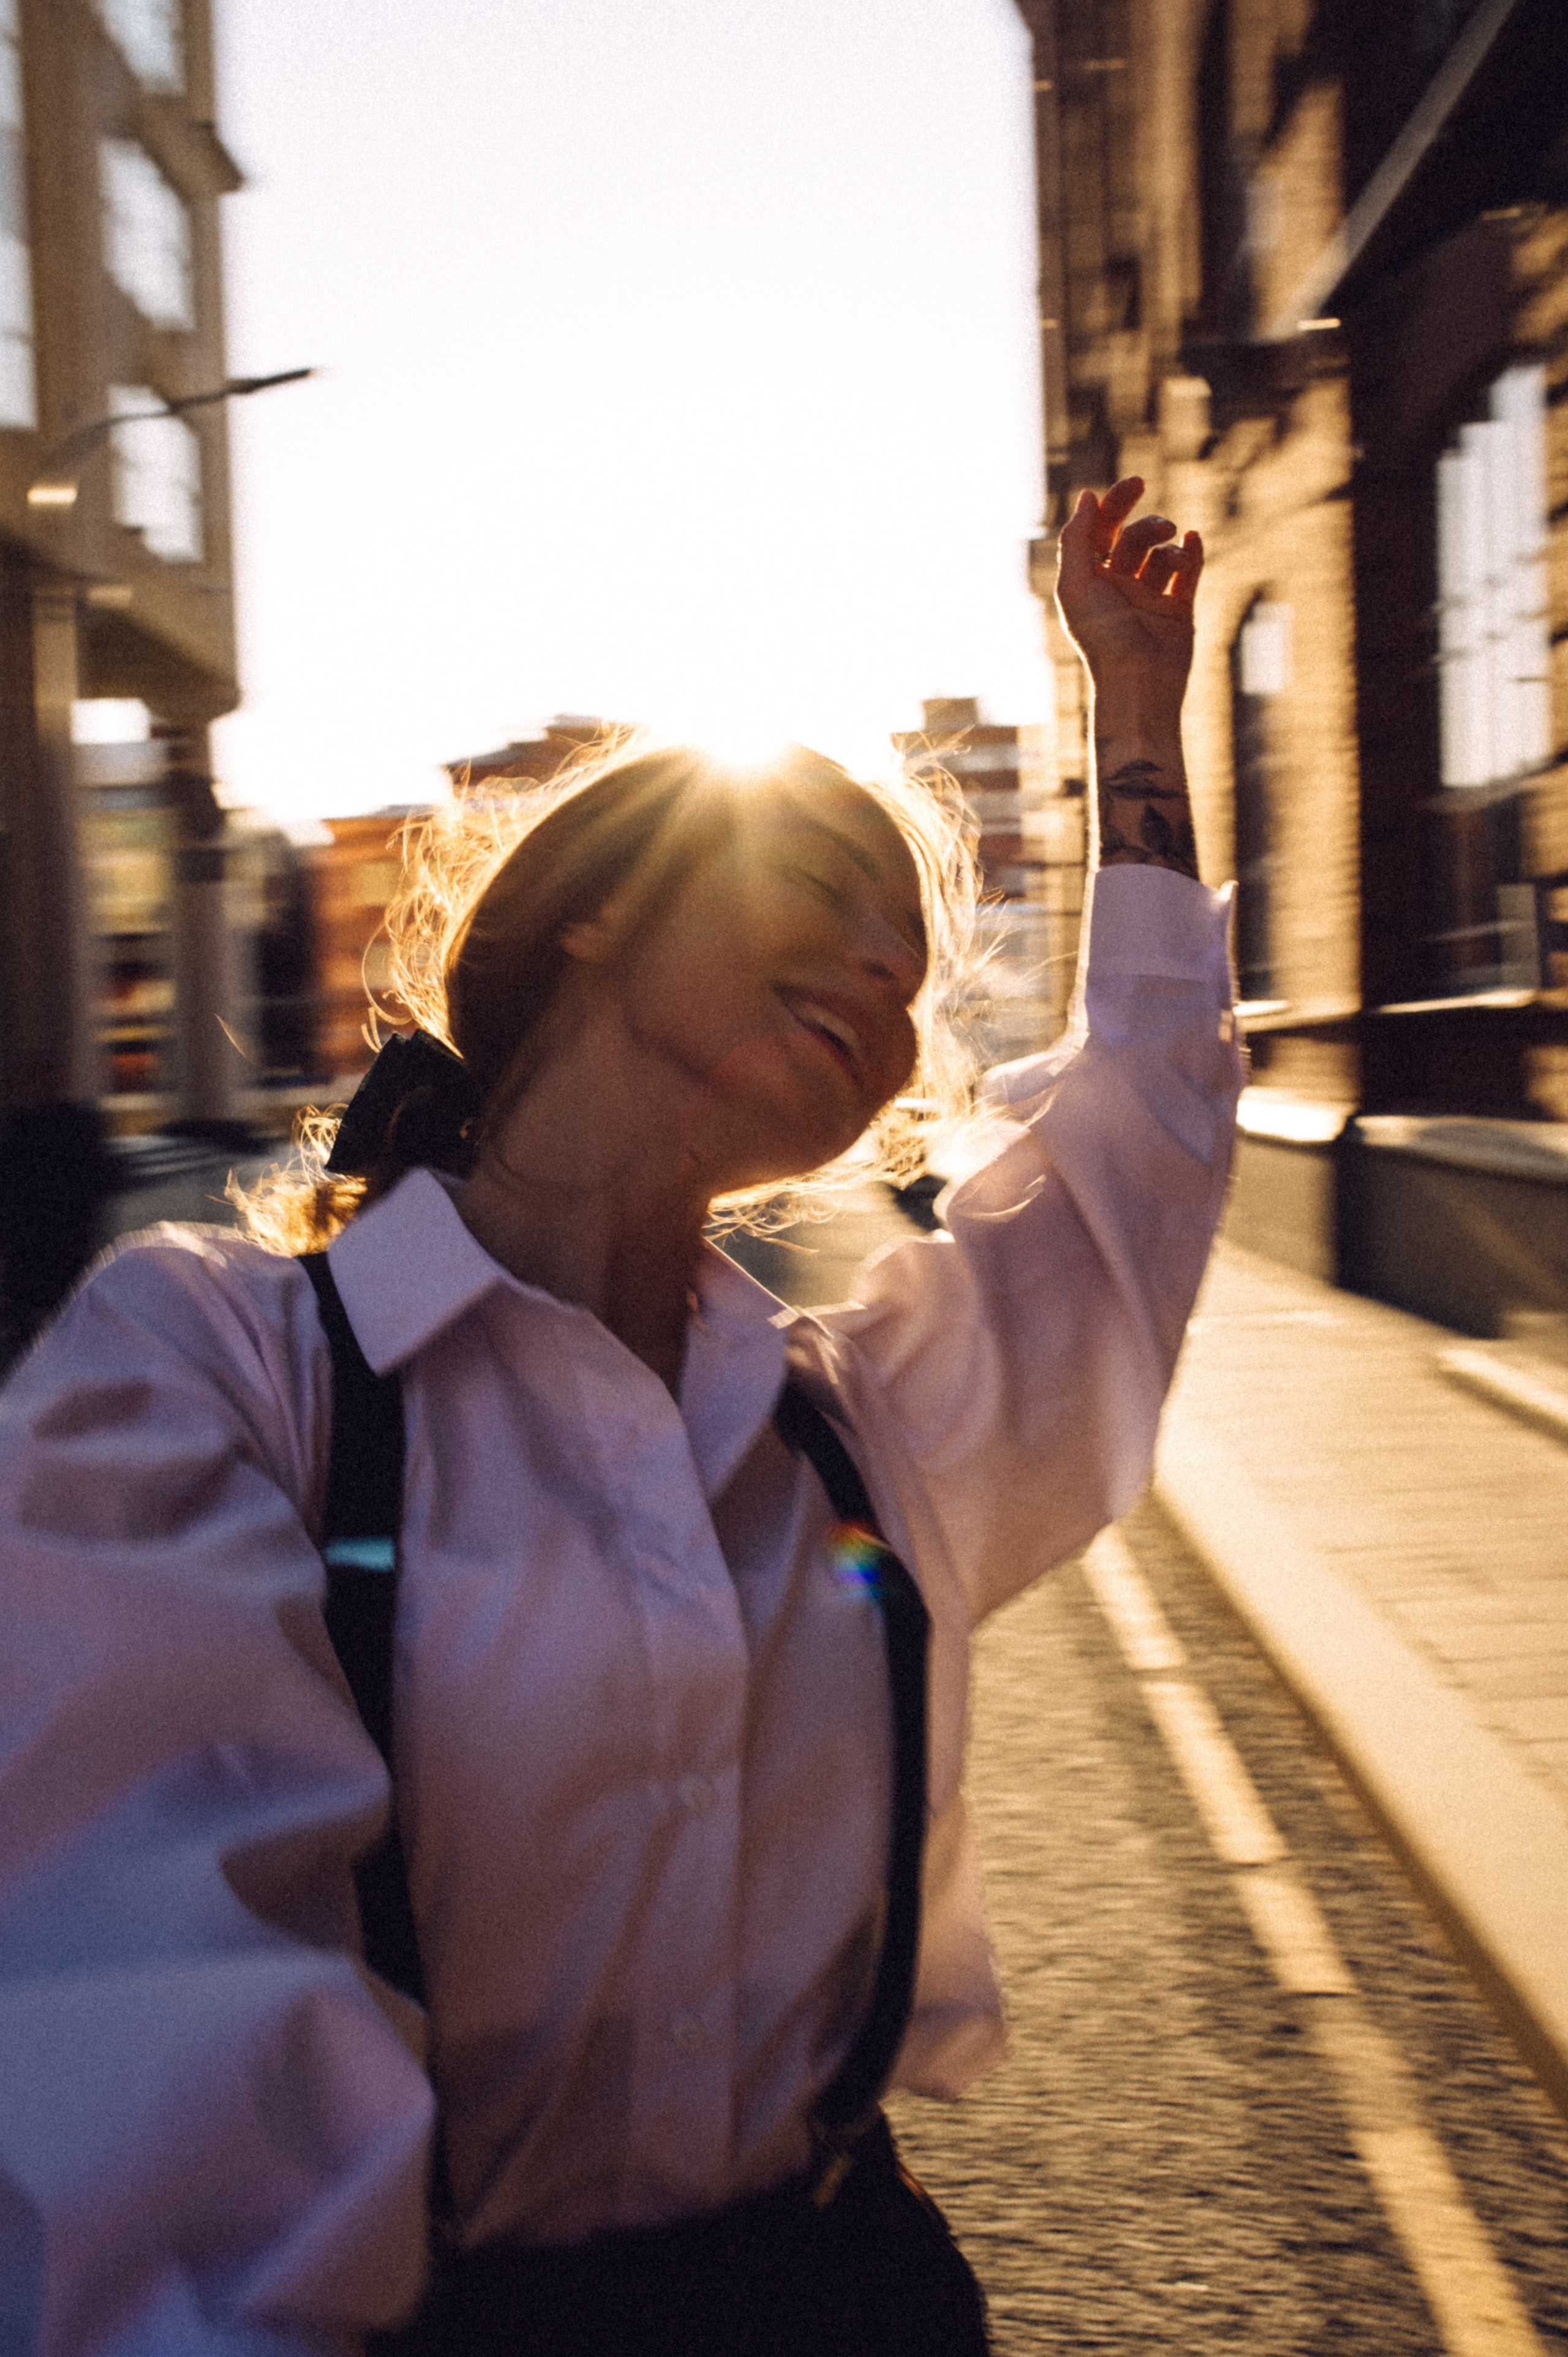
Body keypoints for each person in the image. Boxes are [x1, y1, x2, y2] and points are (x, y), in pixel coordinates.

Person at [0, 480, 1240, 2356]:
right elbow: (155, 2003)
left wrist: (1134, 711)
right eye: (820, 891)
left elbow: (1125, 1189)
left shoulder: (855, 1435)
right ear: (591, 915)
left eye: (907, 975)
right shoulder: (218, 1369)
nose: (881, 979)